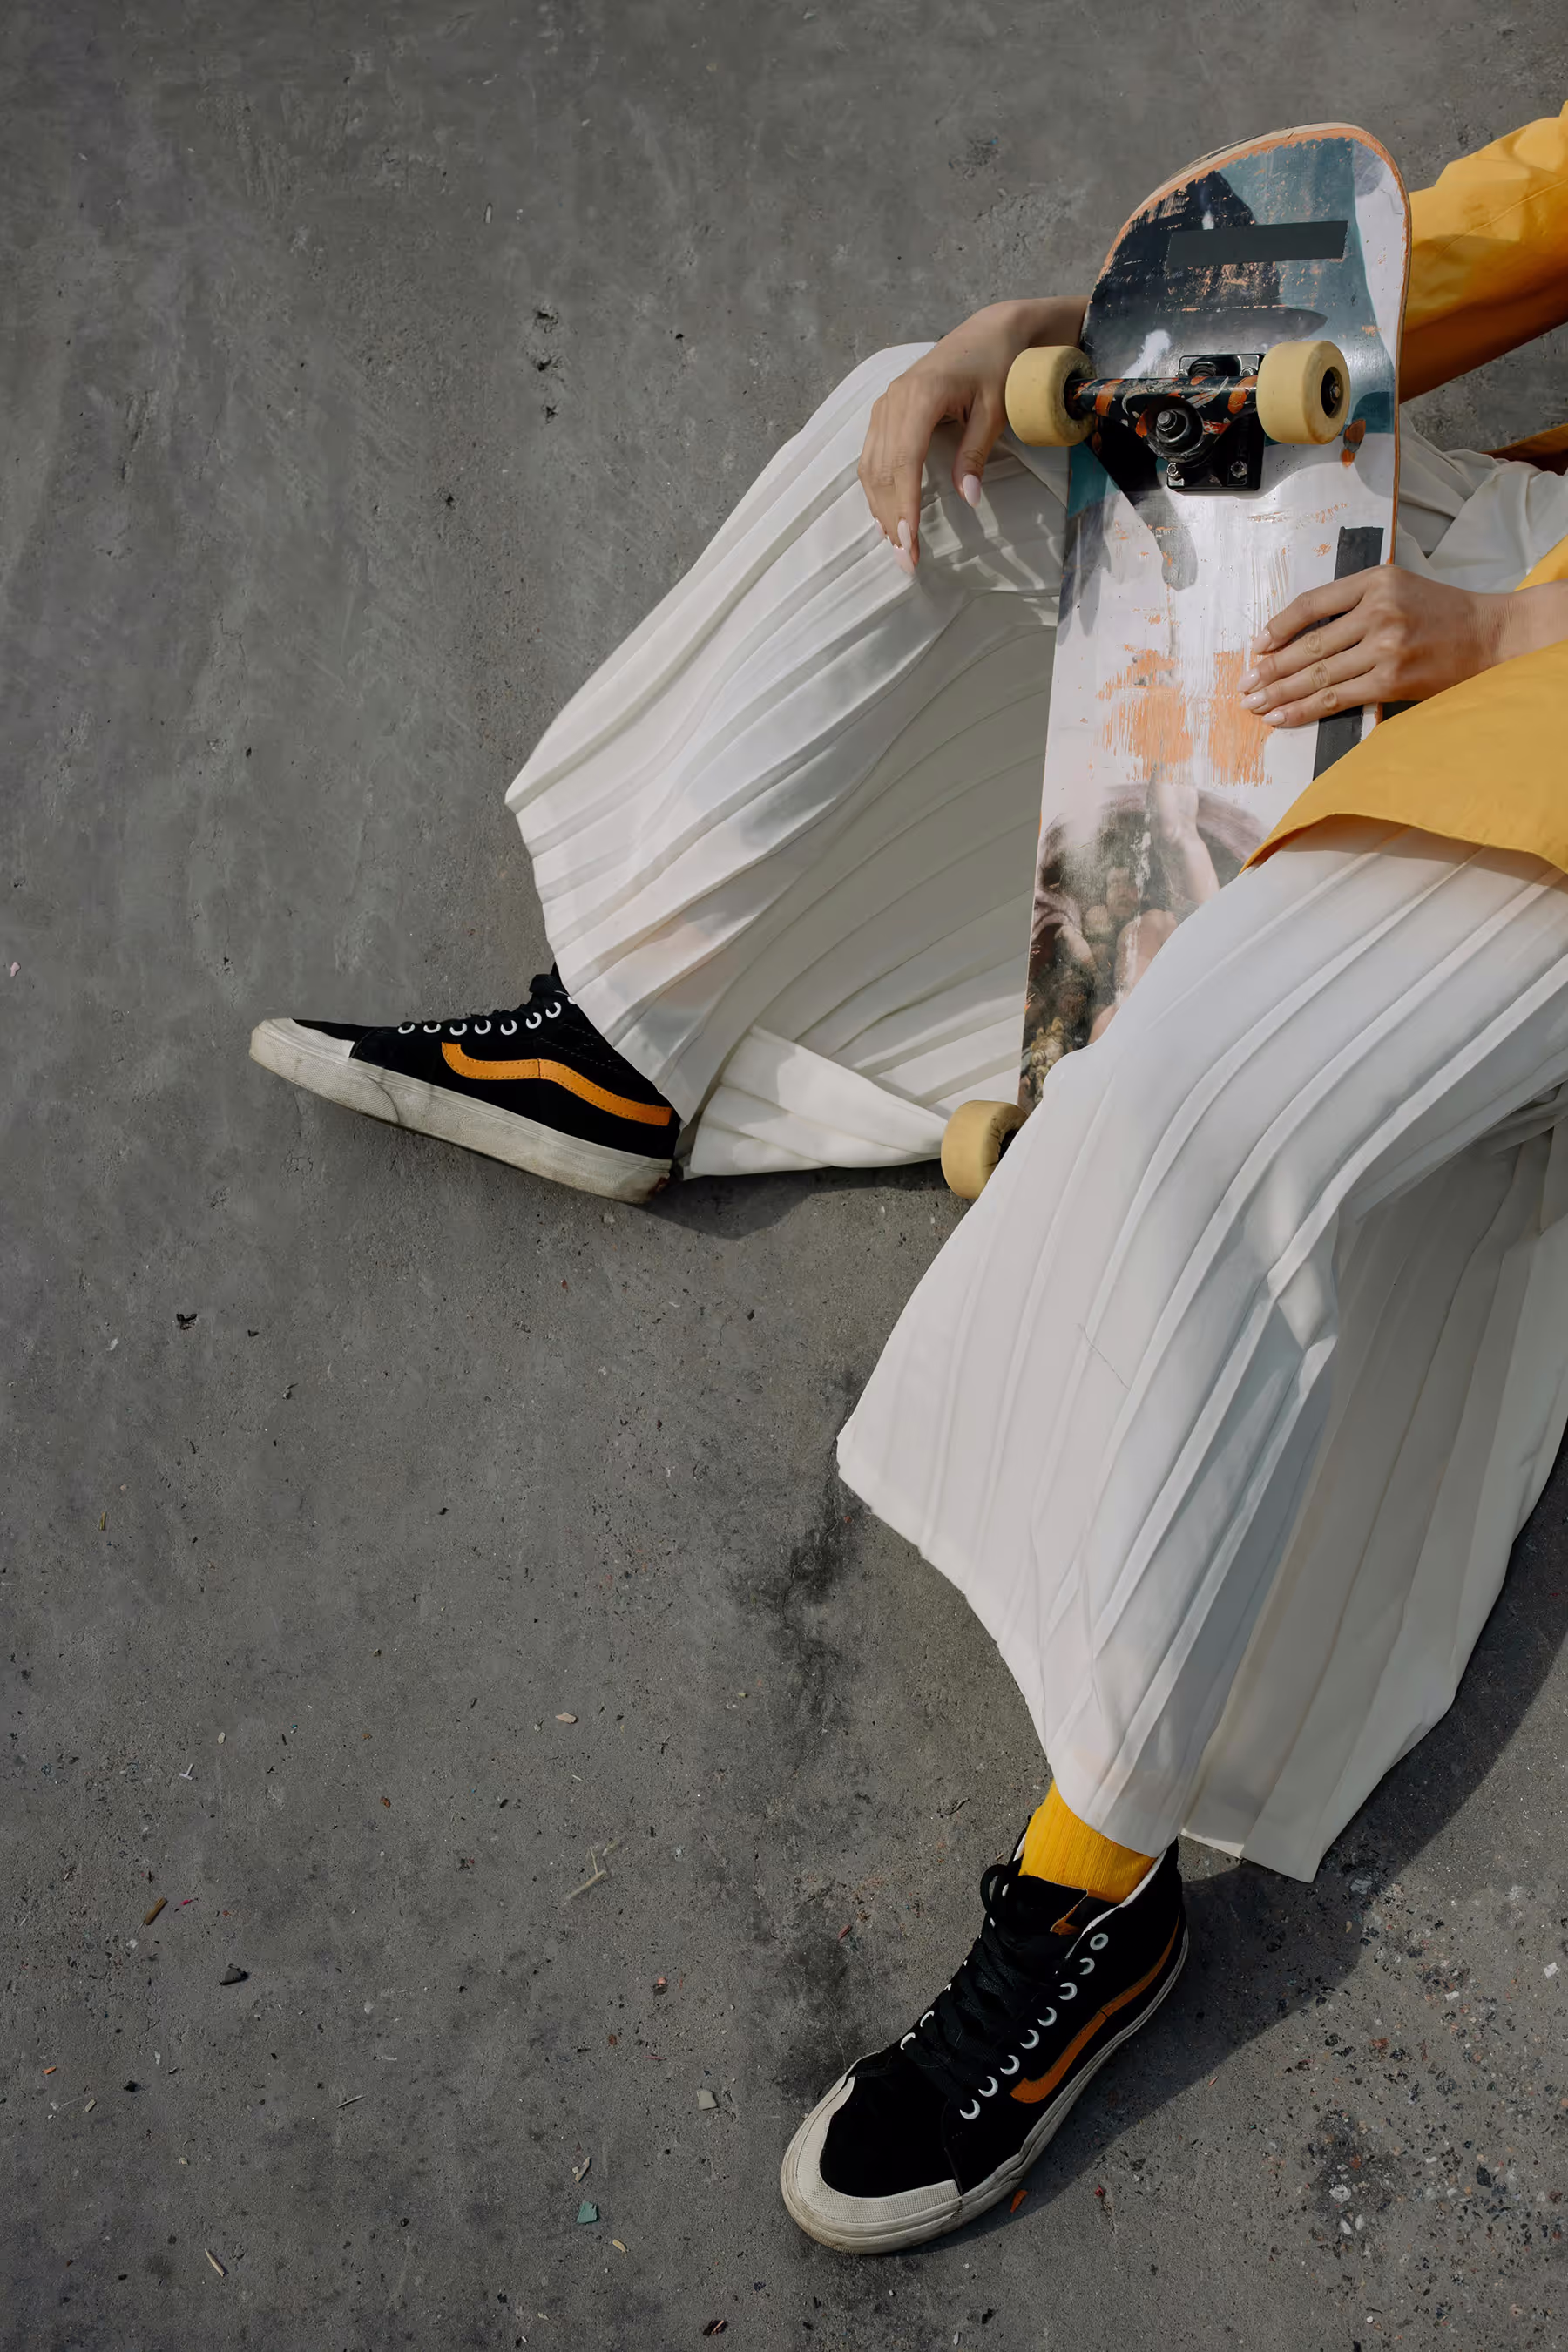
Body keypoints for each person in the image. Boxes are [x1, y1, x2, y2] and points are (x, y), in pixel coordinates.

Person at [251, 111, 1568, 2249]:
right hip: (1509, 572)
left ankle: (1094, 1894)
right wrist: (1057, 331)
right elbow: (1457, 241)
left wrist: (1504, 649)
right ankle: (627, 1040)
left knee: (1186, 1122)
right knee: (928, 432)